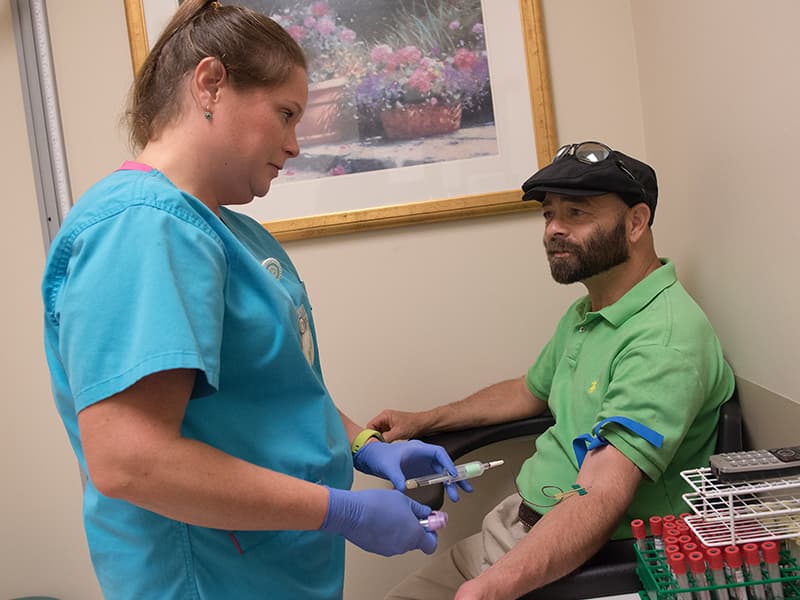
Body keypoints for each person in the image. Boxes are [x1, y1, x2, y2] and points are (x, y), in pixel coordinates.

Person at [41, 2, 467, 598]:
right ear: (210, 82)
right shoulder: (142, 228)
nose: (295, 144)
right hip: (214, 577)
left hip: (277, 567)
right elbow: (132, 462)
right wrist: (343, 512)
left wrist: (365, 448)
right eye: (286, 114)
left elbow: (276, 390)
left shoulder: (226, 227)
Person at [369, 141, 735, 600]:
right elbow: (528, 391)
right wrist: (424, 420)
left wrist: (491, 588)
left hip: (576, 561)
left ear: (636, 222)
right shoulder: (592, 310)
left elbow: (602, 495)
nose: (554, 230)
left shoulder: (663, 341)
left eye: (577, 213)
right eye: (548, 215)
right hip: (509, 531)